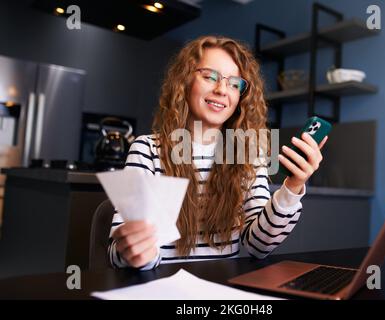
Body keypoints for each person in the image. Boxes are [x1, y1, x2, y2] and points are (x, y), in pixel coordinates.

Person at [108, 35, 328, 270]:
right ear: (184, 82)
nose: (222, 89)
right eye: (209, 76)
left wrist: (292, 187)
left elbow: (259, 245)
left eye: (235, 83)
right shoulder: (148, 150)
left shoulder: (248, 155)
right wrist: (138, 253)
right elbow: (116, 254)